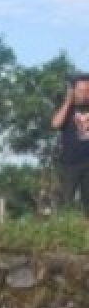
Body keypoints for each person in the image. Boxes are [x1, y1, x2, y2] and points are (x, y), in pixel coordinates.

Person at [52, 75, 89, 212]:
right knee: (65, 201)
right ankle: (63, 229)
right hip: (70, 163)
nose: (85, 94)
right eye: (81, 90)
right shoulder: (67, 108)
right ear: (73, 91)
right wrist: (68, 101)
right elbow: (55, 124)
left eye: (88, 90)